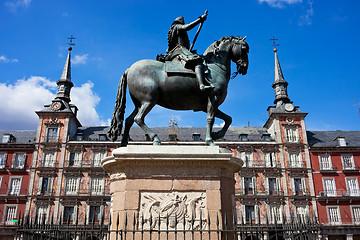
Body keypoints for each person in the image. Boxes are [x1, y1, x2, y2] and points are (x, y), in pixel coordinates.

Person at [166, 13, 214, 91]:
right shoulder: (177, 27)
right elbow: (187, 27)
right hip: (180, 50)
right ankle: (201, 85)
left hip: (179, 50)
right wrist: (200, 19)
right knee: (198, 62)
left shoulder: (173, 30)